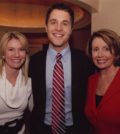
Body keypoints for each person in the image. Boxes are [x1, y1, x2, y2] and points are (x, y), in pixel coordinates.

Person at [29, 3, 93, 134]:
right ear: (46, 27)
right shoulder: (34, 61)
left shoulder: (84, 61)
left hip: (76, 130)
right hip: (41, 129)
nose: (58, 28)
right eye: (53, 22)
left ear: (71, 28)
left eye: (65, 23)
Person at [85, 29, 120, 134]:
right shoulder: (91, 80)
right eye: (95, 49)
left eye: (106, 49)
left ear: (115, 51)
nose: (100, 55)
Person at [0, 31, 33, 134]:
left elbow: (35, 110)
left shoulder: (29, 82)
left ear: (26, 54)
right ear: (3, 54)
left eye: (21, 49)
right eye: (11, 49)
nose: (17, 55)